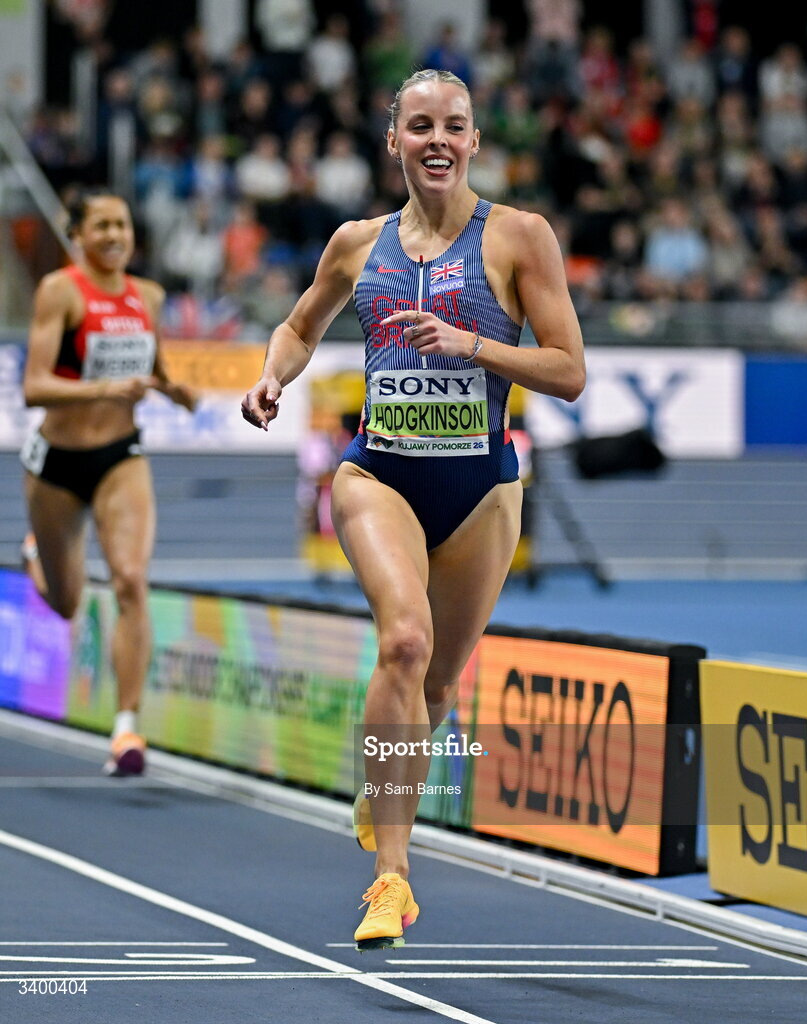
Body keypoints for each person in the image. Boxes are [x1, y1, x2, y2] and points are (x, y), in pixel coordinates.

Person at [241, 69, 585, 950]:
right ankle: (391, 879)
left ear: (473, 142)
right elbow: (300, 324)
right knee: (402, 639)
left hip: (480, 489)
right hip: (379, 475)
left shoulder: (517, 237)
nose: (438, 139)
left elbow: (569, 372)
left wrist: (472, 342)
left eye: (455, 126)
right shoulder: (357, 243)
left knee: (432, 689)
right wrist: (275, 372)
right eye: (420, 125)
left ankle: (382, 786)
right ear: (393, 141)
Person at [20, 187, 198, 777]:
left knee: (129, 580)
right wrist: (102, 389)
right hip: (57, 463)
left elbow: (155, 371)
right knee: (67, 602)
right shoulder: (60, 292)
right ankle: (36, 561)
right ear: (79, 234)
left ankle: (127, 730)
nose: (115, 235)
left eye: (122, 224)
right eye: (102, 226)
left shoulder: (149, 296)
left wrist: (178, 392)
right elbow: (35, 386)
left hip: (121, 454)